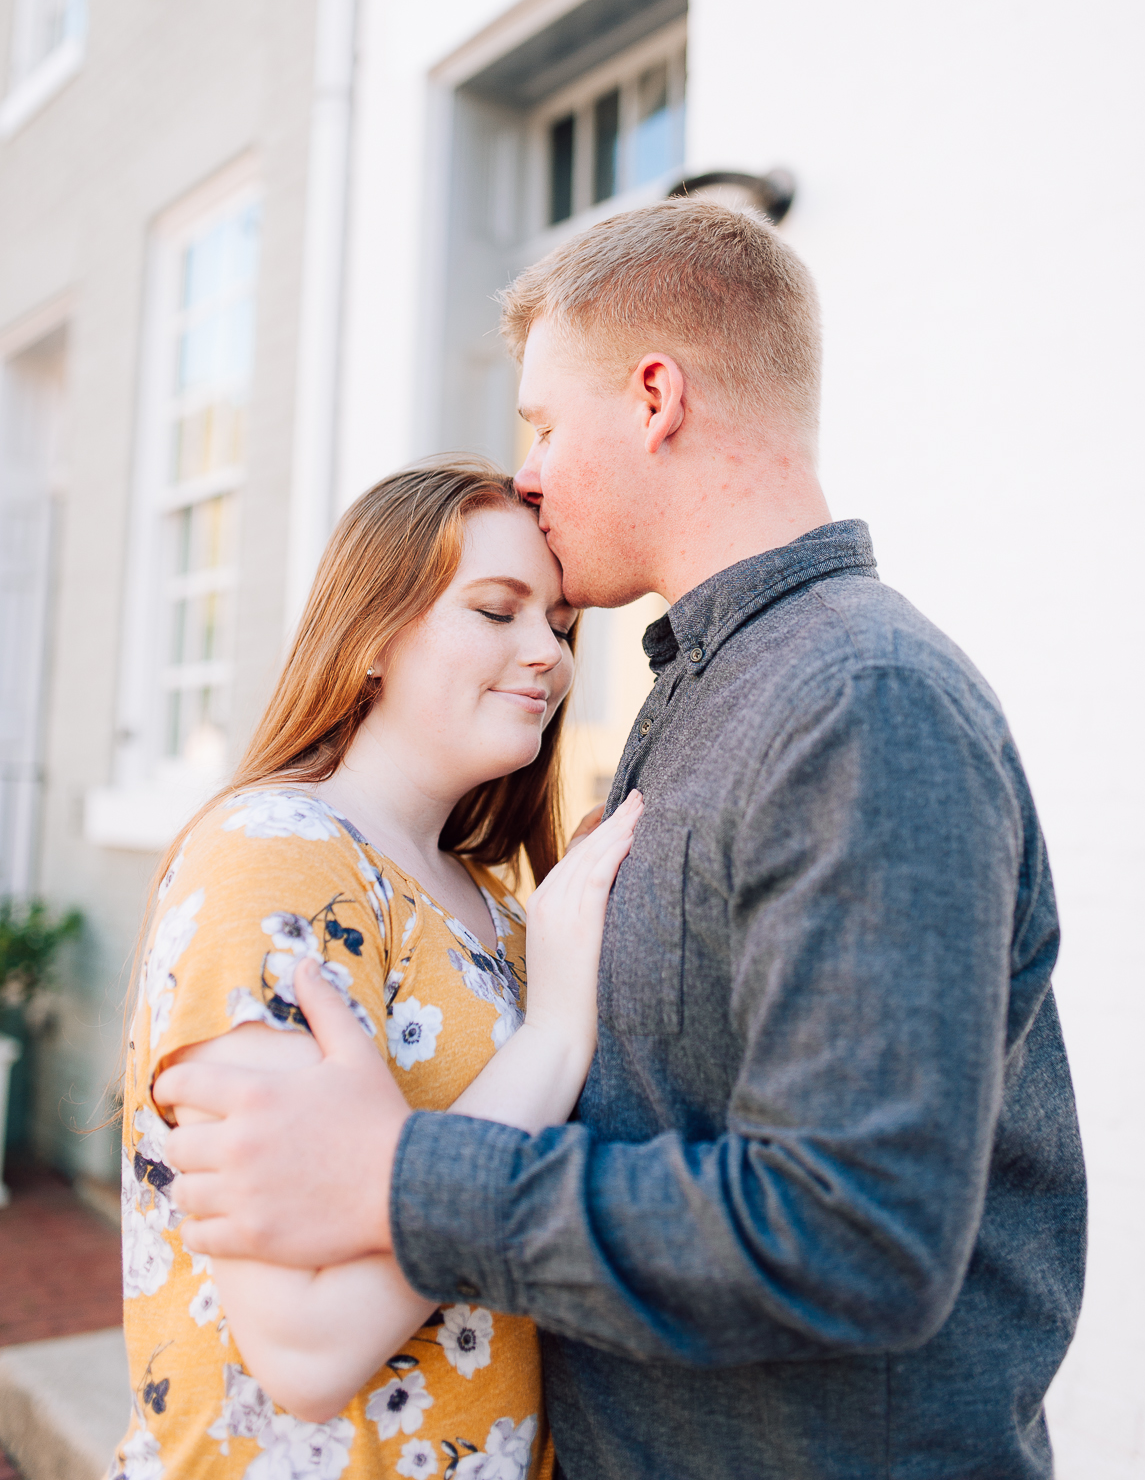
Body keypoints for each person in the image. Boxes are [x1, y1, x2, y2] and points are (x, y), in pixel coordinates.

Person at [158, 201, 1087, 1480]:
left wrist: (402, 1170)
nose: (525, 470)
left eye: (540, 422)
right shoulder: (714, 695)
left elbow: (858, 1235)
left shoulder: (856, 702)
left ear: (656, 397)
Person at [112, 460, 642, 1480]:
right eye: (497, 610)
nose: (549, 655)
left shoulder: (494, 902)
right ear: (370, 636)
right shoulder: (271, 853)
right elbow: (304, 1345)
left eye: (561, 623)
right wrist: (559, 1032)